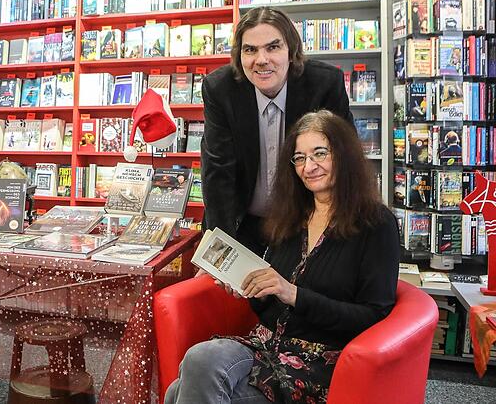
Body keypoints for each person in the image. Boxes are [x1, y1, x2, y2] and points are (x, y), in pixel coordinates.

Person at [165, 110, 400, 404]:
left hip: (317, 364)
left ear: (343, 155)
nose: (309, 166)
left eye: (319, 154)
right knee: (200, 360)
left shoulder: (376, 224)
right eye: (299, 158)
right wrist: (253, 291)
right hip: (265, 347)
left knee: (180, 389)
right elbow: (272, 306)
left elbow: (373, 315)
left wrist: (294, 294)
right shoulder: (291, 218)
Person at [201, 6, 352, 254]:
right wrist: (219, 247)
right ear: (239, 55)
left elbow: (345, 160)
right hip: (241, 224)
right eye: (250, 50)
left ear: (291, 51)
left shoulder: (324, 84)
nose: (262, 59)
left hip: (307, 220)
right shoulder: (220, 90)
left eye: (273, 47)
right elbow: (217, 171)